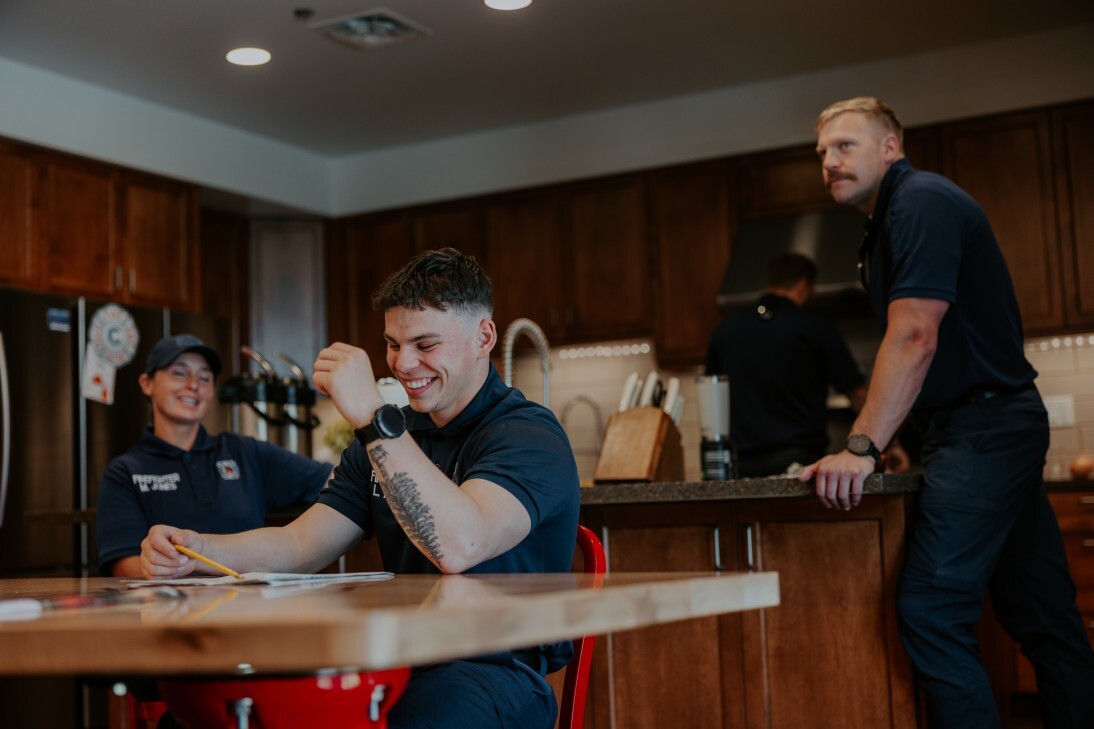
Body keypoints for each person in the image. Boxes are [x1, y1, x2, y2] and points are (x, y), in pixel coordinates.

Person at [138, 248, 581, 729]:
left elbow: (460, 546)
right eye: (392, 344)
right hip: (393, 662)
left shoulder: (528, 435)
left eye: (425, 344)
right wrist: (199, 549)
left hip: (492, 672)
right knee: (197, 718)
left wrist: (373, 416)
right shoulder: (386, 439)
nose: (403, 364)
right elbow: (300, 543)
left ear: (483, 337)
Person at [801, 96, 1094, 727]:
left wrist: (861, 446)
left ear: (890, 147)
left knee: (931, 608)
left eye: (844, 146)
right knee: (1045, 619)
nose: (828, 162)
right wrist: (903, 434)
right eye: (821, 152)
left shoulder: (920, 202)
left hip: (985, 430)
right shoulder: (886, 223)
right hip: (986, 428)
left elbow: (914, 337)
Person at [96, 334, 332, 577]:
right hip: (171, 609)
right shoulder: (124, 472)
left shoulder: (246, 452)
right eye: (179, 373)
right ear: (147, 383)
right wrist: (160, 566)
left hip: (249, 606)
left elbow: (336, 481)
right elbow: (123, 566)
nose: (193, 384)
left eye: (204, 377)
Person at [705, 252, 868, 477]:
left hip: (741, 467)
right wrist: (882, 444)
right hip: (801, 465)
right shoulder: (814, 327)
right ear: (804, 284)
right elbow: (857, 392)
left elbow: (711, 398)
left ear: (771, 282)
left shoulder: (725, 331)